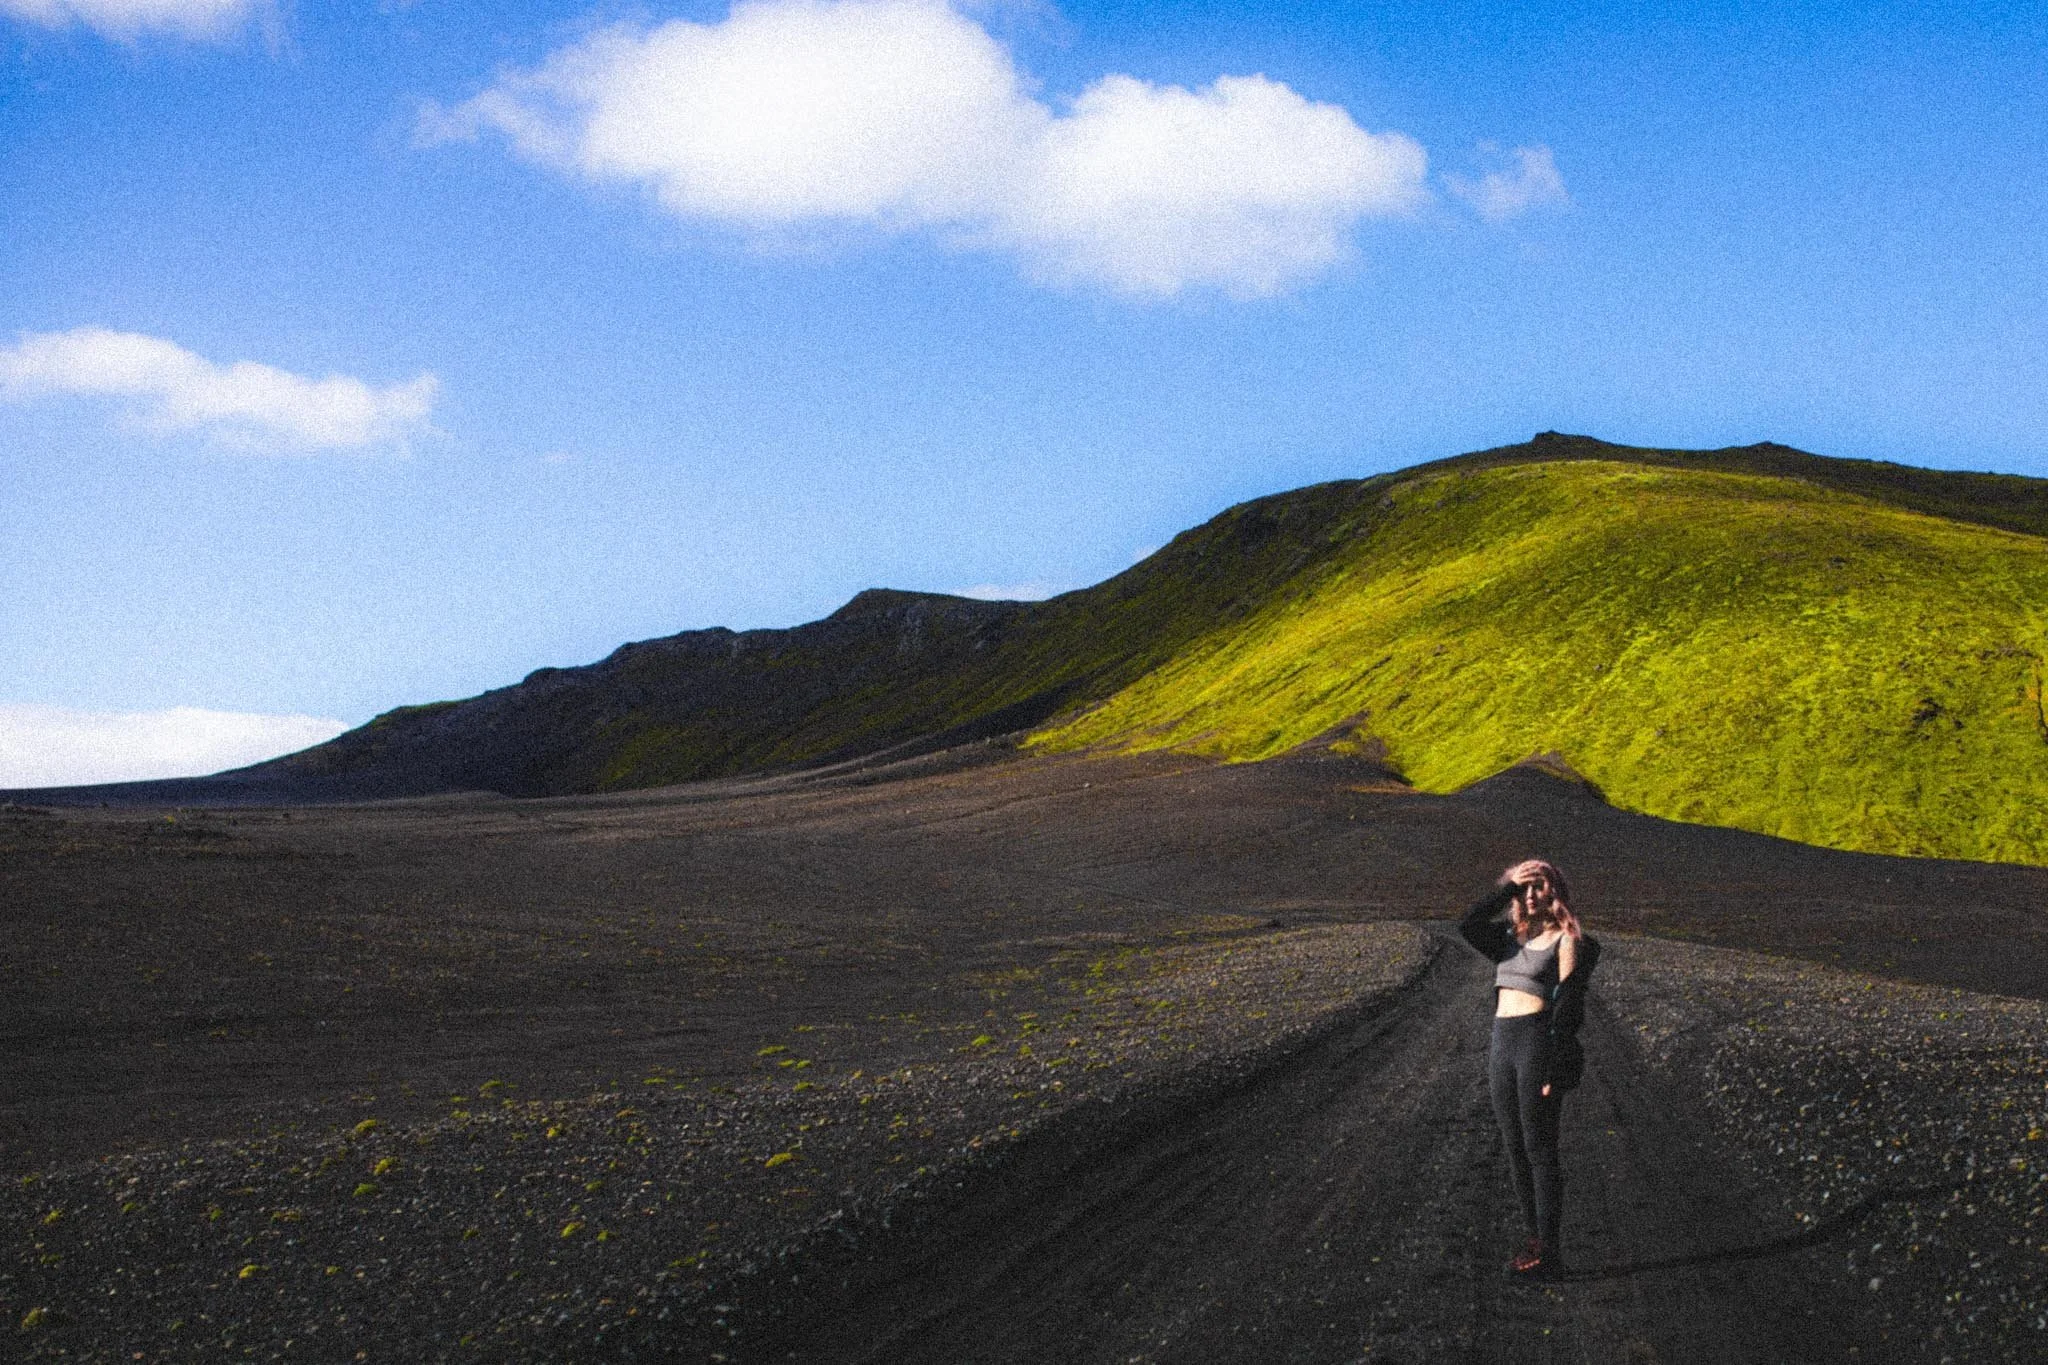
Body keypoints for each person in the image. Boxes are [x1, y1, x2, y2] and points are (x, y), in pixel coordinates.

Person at [1459, 858, 1600, 1279]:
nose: (1533, 895)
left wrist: (1557, 1068)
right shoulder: (1508, 938)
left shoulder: (1567, 940)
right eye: (1526, 889)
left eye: (1540, 886)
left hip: (1537, 1043)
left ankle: (1551, 1252)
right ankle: (1535, 1242)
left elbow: (1569, 1008)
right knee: (1515, 1149)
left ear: (1555, 891)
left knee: (1540, 1149)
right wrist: (1506, 886)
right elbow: (1466, 924)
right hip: (1502, 1044)